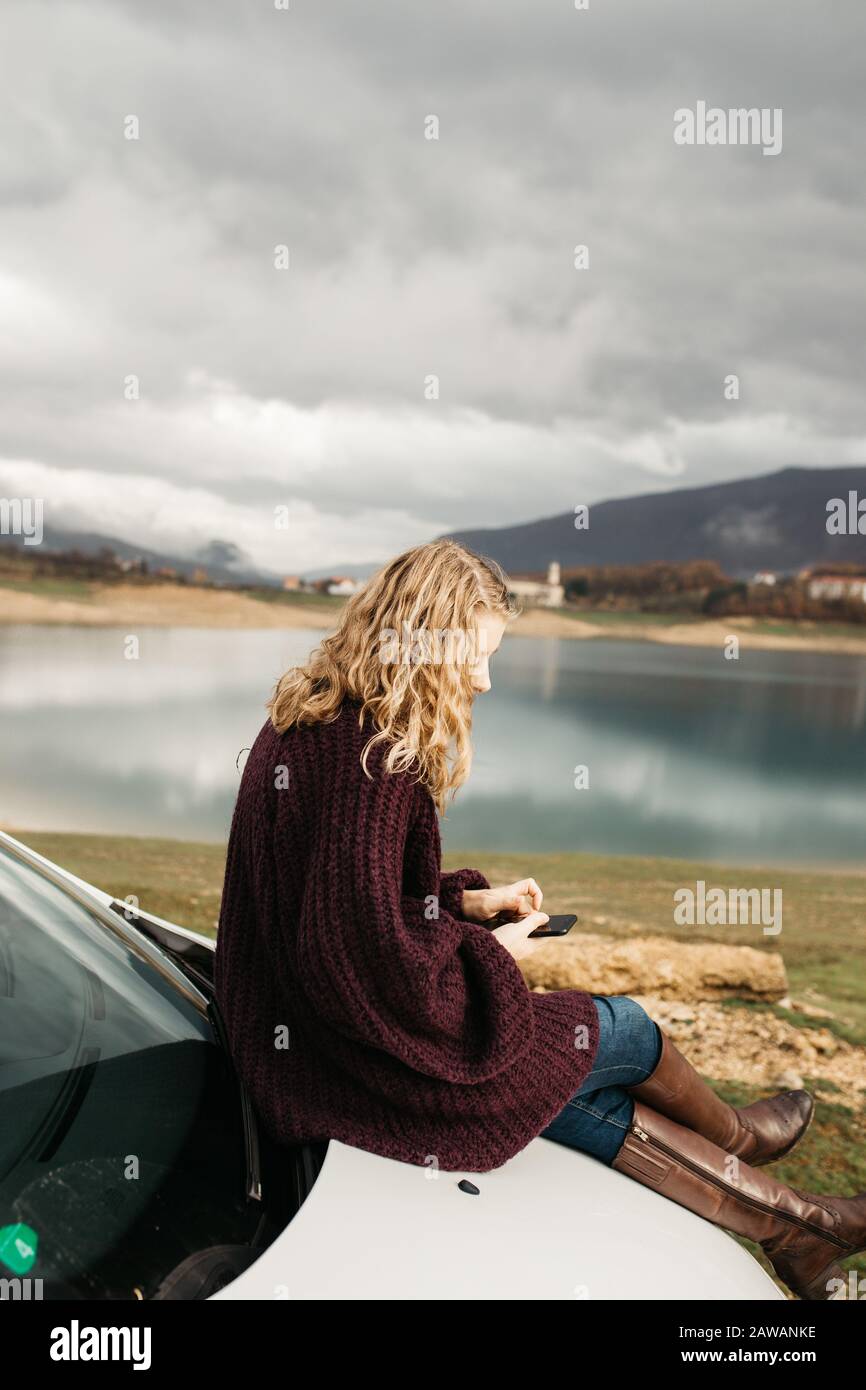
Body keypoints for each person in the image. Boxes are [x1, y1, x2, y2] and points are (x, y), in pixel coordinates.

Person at [214, 539, 866, 1301]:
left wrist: (467, 902)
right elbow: (369, 974)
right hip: (341, 1064)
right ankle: (746, 1146)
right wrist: (500, 956)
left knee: (572, 1084)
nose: (485, 681)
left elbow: (338, 900)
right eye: (479, 657)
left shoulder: (313, 713)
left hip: (292, 1044)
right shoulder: (378, 759)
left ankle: (798, 1229)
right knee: (615, 1028)